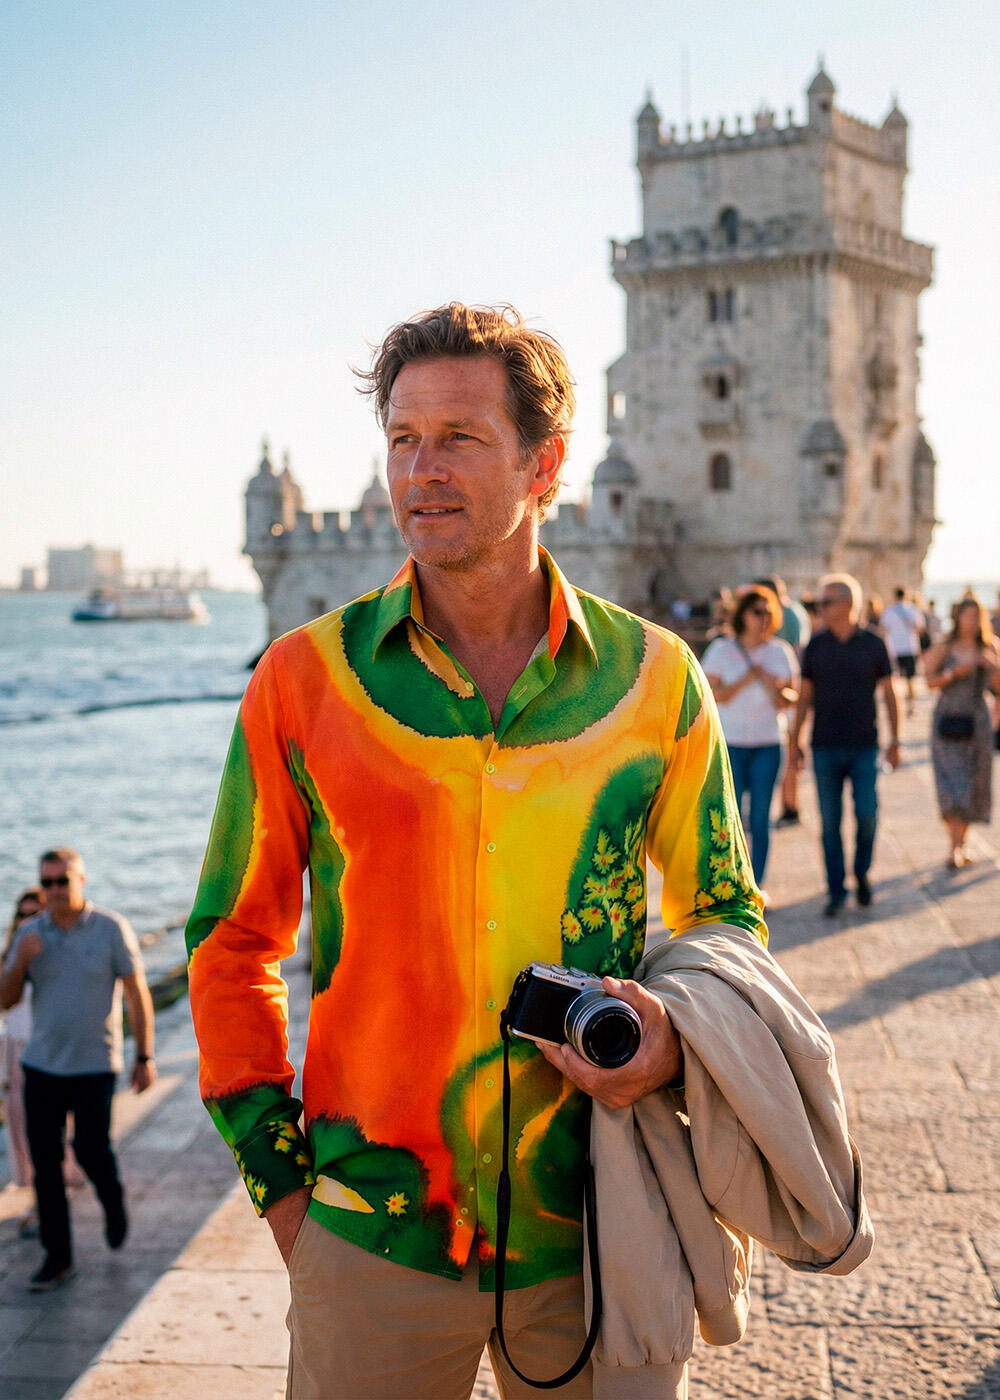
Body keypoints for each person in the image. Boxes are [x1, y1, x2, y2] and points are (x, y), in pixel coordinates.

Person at [185, 303, 774, 1400]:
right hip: (370, 1240)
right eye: (403, 440)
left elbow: (726, 916)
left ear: (544, 463)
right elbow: (229, 944)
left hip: (606, 1219)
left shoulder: (655, 682)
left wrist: (668, 1036)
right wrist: (288, 1200)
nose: (422, 471)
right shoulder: (305, 681)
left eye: (459, 438)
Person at [0, 848, 156, 1291]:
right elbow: (5, 1001)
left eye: (61, 881)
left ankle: (113, 1199)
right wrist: (21, 960)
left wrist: (144, 1056)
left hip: (94, 1065)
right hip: (42, 1067)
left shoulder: (110, 928)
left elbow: (136, 993)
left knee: (91, 1150)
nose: (53, 890)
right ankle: (58, 1257)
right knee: (46, 1166)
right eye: (46, 882)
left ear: (81, 881)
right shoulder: (30, 933)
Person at [790, 574, 901, 917]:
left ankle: (862, 873)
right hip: (824, 747)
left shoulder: (873, 643)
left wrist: (895, 740)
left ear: (848, 604)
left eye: (826, 602)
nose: (819, 609)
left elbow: (890, 693)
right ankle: (836, 890)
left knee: (867, 815)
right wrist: (794, 741)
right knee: (830, 824)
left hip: (865, 746)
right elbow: (804, 698)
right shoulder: (816, 647)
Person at [701, 586, 798, 890]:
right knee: (730, 819)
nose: (764, 618)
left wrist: (773, 684)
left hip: (769, 743)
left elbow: (790, 699)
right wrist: (748, 677)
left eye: (769, 612)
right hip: (731, 744)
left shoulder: (780, 651)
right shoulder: (721, 650)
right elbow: (714, 695)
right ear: (742, 614)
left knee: (761, 817)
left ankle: (757, 885)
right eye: (757, 611)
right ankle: (732, 883)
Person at [924, 597, 1000, 867]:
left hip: (977, 722)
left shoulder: (989, 647)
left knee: (973, 784)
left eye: (974, 617)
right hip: (947, 719)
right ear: (957, 618)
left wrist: (992, 666)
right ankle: (953, 846)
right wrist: (953, 674)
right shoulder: (945, 647)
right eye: (965, 616)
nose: (969, 622)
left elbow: (998, 688)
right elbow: (929, 680)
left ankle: (961, 843)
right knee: (950, 784)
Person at [755, 575, 810, 828]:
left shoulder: (784, 615)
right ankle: (790, 803)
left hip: (782, 685)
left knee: (789, 749)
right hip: (788, 684)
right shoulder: (797, 611)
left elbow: (795, 651)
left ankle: (790, 805)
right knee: (791, 748)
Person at [881, 586, 925, 715]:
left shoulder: (889, 611)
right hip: (910, 648)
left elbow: (883, 629)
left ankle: (898, 705)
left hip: (894, 649)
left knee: (894, 679)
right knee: (910, 680)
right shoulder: (912, 609)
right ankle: (911, 706)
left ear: (894, 596)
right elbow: (920, 628)